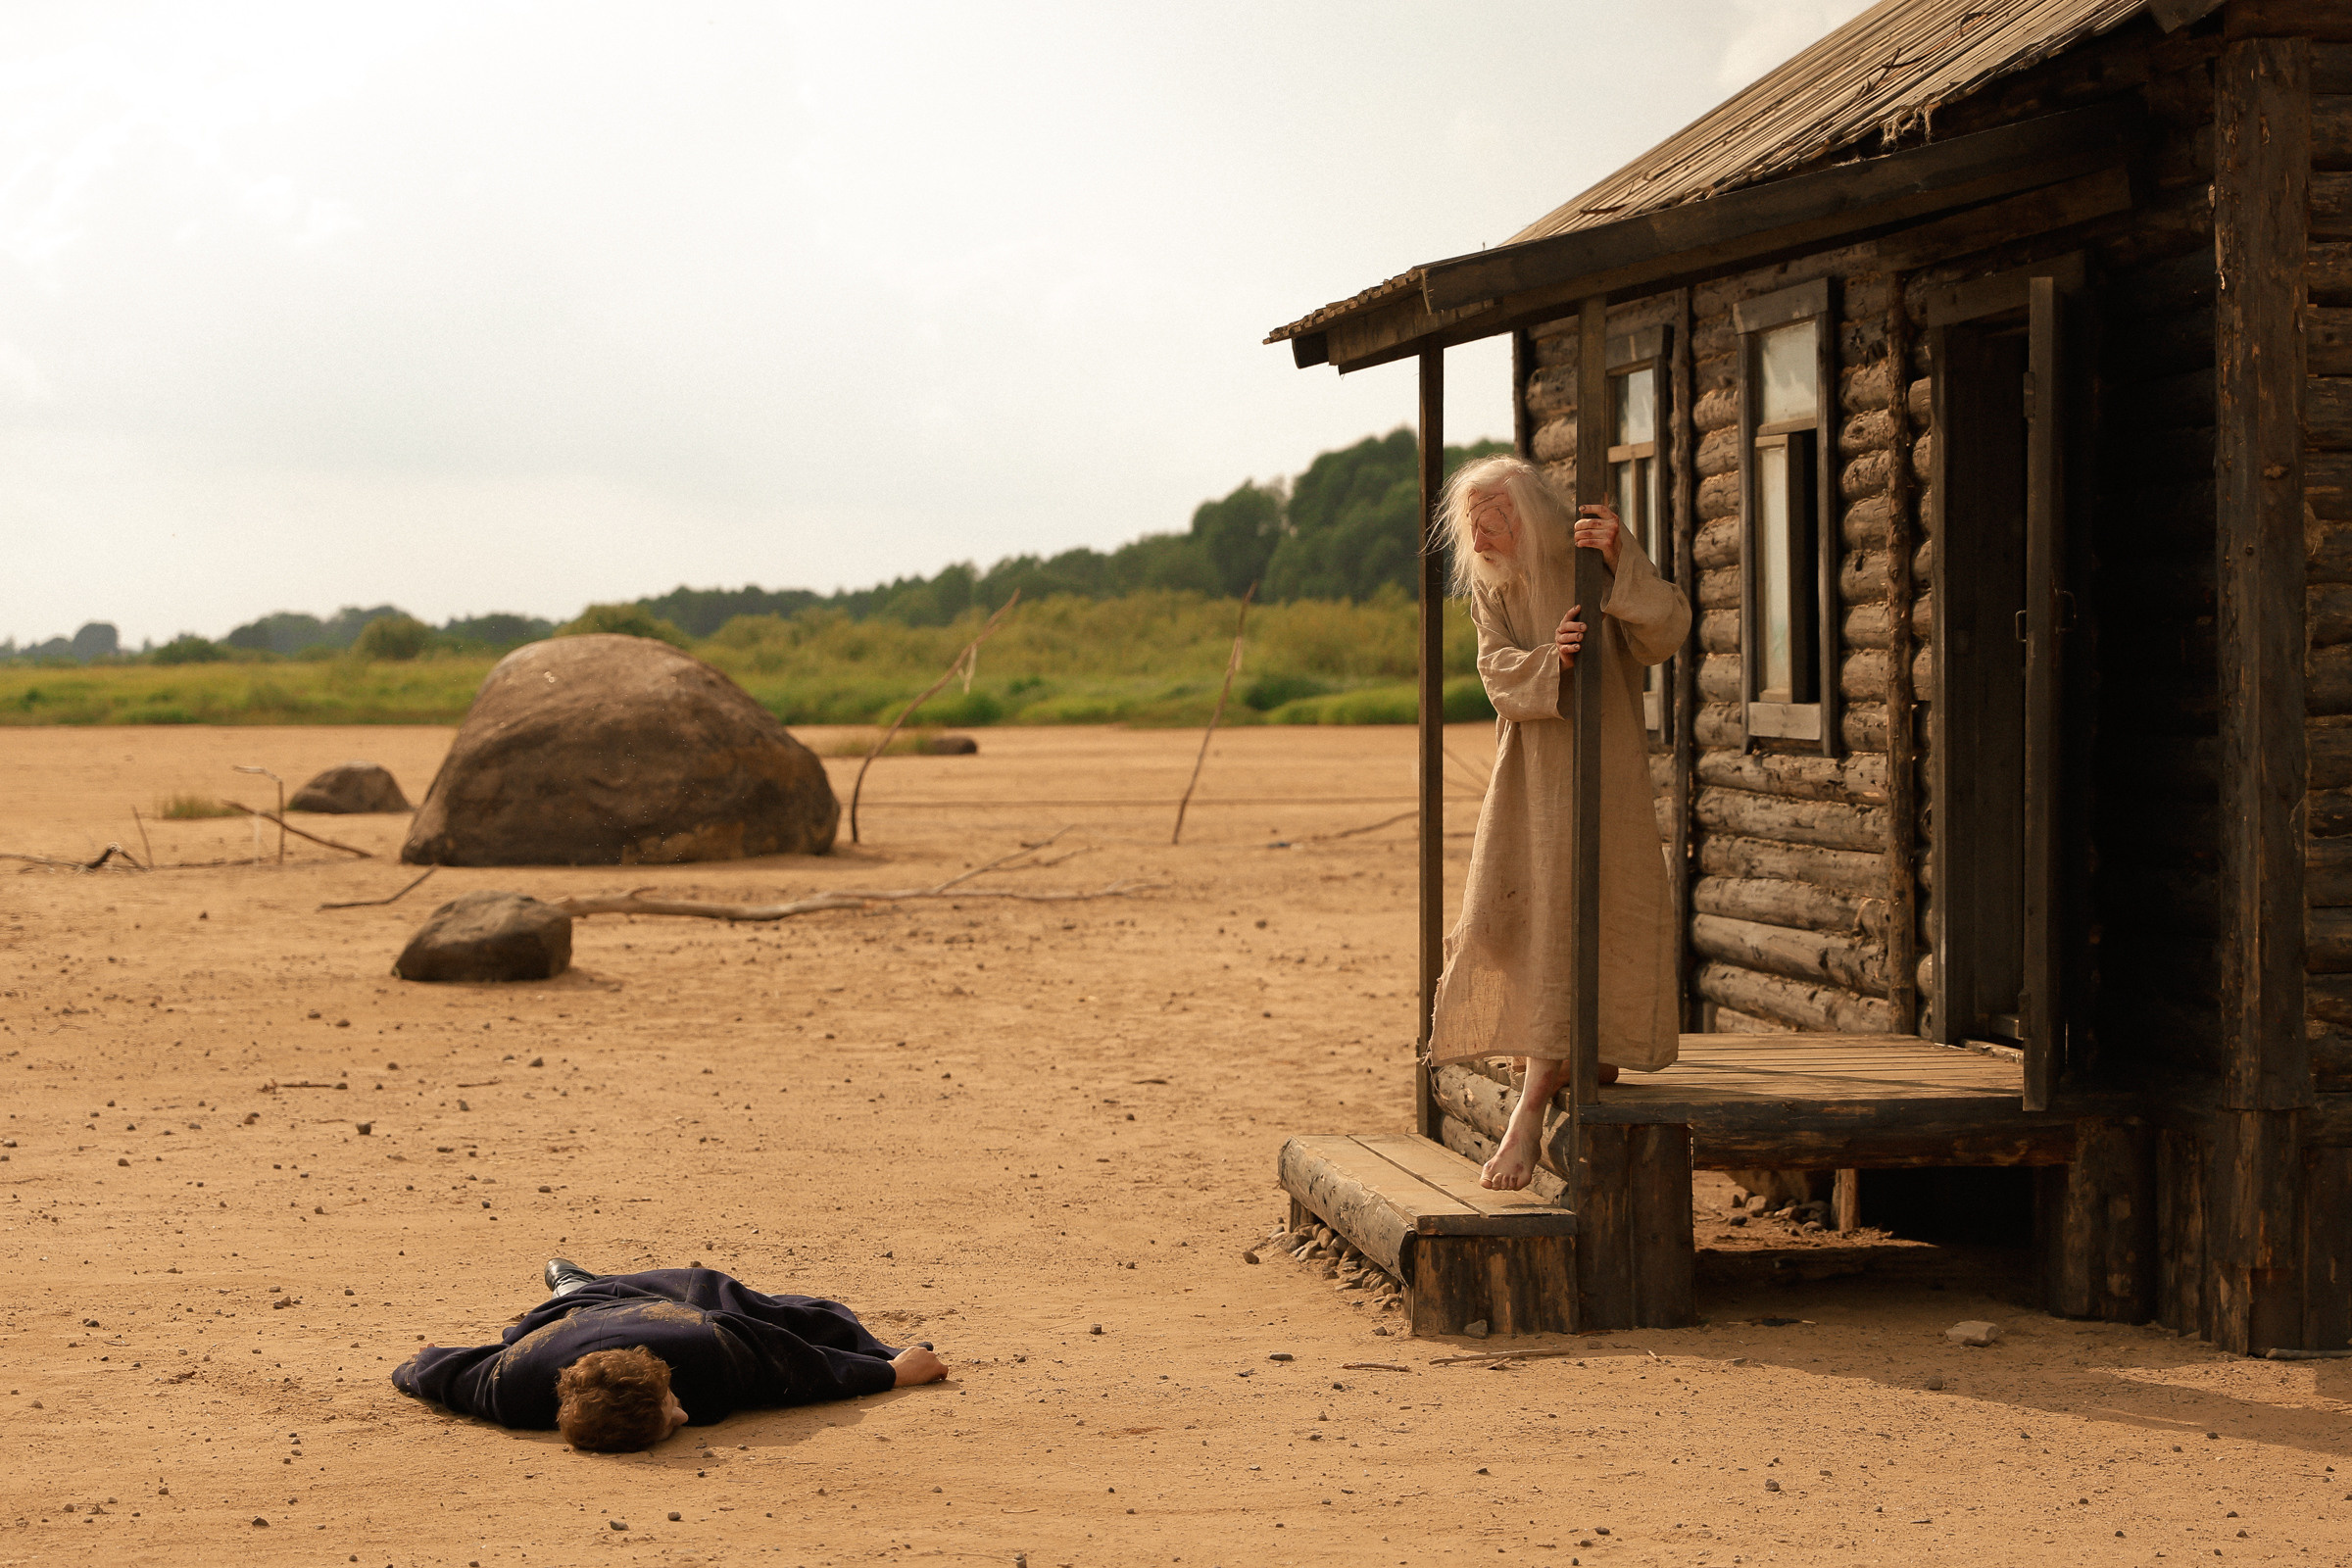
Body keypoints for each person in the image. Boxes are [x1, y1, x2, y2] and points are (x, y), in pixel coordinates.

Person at [1424, 455, 1690, 1191]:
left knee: (1596, 909)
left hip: (1604, 775)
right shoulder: (1495, 586)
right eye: (1472, 518)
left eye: (1497, 515)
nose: (1481, 530)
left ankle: (1537, 1101)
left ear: (1532, 513)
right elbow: (1494, 671)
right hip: (1531, 779)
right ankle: (1547, 1082)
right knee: (1526, 915)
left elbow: (1664, 630)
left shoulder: (1589, 563)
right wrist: (1549, 660)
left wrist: (1621, 554)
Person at [392, 1257, 949, 1451]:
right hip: (560, 1328)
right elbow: (440, 1370)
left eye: (668, 1409)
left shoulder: (708, 1351)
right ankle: (575, 1286)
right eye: (672, 1422)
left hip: (671, 1308)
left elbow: (793, 1362)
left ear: (666, 1381)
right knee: (571, 1303)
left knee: (779, 1309)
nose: (683, 1416)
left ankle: (579, 1286)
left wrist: (888, 1366)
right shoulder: (515, 1386)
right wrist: (414, 1368)